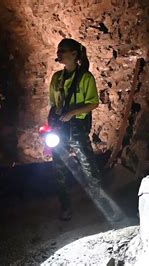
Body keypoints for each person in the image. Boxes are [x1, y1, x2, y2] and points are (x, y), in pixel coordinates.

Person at [48, 38, 101, 221]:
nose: (59, 53)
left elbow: (93, 102)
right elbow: (53, 104)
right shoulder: (56, 79)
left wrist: (72, 113)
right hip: (60, 129)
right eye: (59, 50)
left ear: (74, 54)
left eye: (63, 50)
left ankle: (101, 204)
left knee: (88, 167)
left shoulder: (86, 78)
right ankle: (66, 207)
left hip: (77, 128)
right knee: (59, 169)